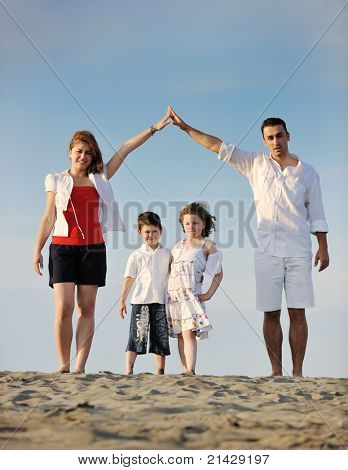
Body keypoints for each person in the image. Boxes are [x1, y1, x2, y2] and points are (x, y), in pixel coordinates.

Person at [168, 108, 329, 377]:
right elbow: (218, 146)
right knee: (271, 312)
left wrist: (323, 246)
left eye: (280, 136)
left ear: (288, 136)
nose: (276, 142)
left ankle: (297, 373)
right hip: (266, 251)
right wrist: (186, 128)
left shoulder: (307, 173)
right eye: (270, 138)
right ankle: (277, 373)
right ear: (264, 141)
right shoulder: (255, 163)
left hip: (299, 250)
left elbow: (317, 213)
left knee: (298, 312)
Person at [33, 112, 171, 373]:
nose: (82, 156)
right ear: (70, 152)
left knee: (86, 308)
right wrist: (37, 249)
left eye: (87, 152)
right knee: (64, 307)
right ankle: (63, 364)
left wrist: (154, 127)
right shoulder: (56, 179)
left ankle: (79, 366)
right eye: (78, 151)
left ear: (92, 155)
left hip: (93, 249)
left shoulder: (101, 177)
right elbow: (48, 216)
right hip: (62, 247)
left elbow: (126, 148)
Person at [166, 202, 223, 376]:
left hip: (191, 296)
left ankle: (191, 369)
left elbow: (218, 274)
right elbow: (169, 270)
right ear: (183, 225)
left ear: (204, 224)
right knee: (180, 334)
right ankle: (185, 369)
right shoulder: (177, 246)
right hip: (174, 297)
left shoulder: (207, 246)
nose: (192, 226)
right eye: (188, 223)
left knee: (188, 332)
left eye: (196, 223)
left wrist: (208, 294)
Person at [119, 212, 171, 375]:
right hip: (141, 301)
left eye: (155, 231)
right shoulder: (136, 255)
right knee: (137, 336)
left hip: (161, 302)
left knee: (160, 338)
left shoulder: (167, 253)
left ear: (161, 231)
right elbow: (129, 278)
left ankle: (160, 370)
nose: (151, 235)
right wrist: (122, 300)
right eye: (147, 232)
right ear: (140, 232)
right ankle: (128, 370)